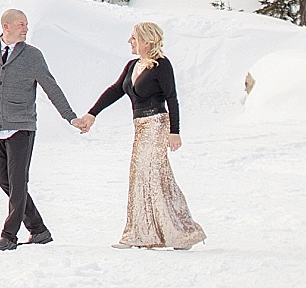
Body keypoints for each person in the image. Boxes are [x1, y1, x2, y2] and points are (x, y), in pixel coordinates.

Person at [73, 22, 206, 250]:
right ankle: (143, 233)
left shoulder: (162, 65)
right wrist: (92, 114)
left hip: (157, 124)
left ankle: (177, 233)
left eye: (133, 38)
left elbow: (172, 98)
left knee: (153, 176)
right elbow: (115, 90)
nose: (129, 41)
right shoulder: (132, 65)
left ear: (146, 41)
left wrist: (175, 132)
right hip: (140, 127)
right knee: (141, 177)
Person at [0, 8, 79, 250]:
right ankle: (38, 230)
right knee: (6, 184)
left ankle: (9, 236)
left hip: (21, 128)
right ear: (6, 26)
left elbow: (51, 87)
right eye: (21, 24)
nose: (26, 28)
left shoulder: (32, 56)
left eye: (27, 24)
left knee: (18, 184)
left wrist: (70, 117)